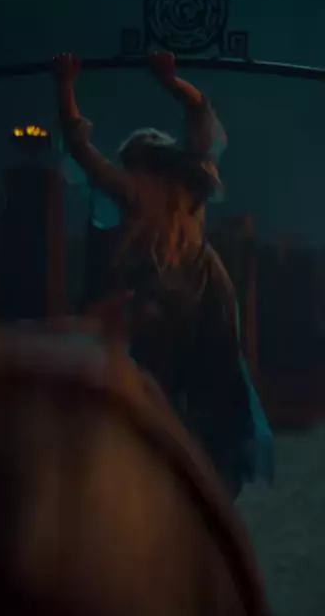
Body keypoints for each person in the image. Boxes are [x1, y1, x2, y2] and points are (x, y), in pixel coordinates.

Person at [52, 51, 273, 498]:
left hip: (198, 289)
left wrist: (70, 85)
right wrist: (68, 84)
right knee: (158, 383)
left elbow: (197, 112)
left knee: (213, 382)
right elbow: (82, 148)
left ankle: (204, 472)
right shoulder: (147, 186)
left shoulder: (188, 179)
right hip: (165, 295)